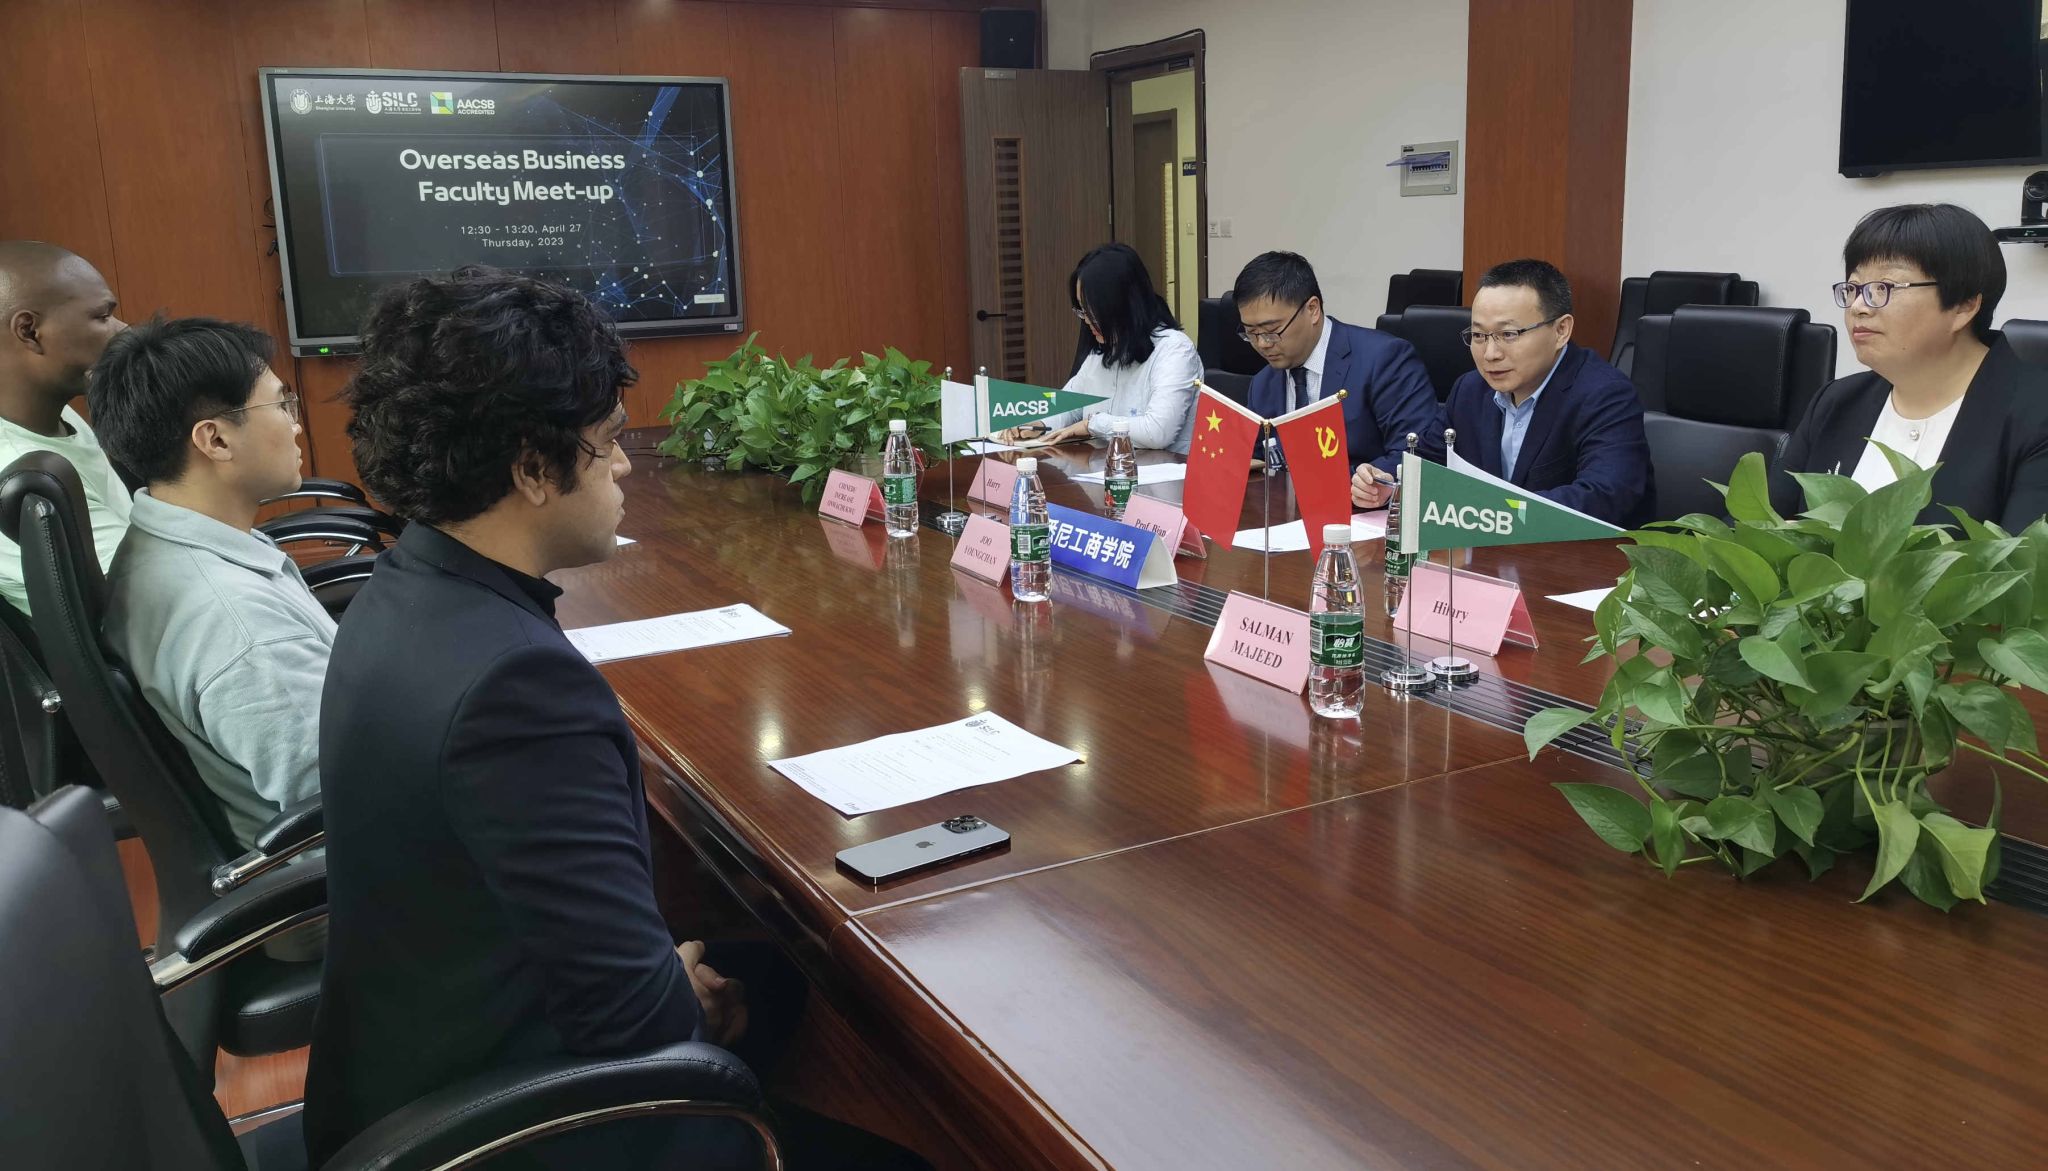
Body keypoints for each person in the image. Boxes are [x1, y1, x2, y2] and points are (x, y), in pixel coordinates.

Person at [305, 267, 924, 1170]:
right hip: (508, 1129)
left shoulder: (405, 586)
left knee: (770, 978)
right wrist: (672, 982)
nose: (627, 465)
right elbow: (641, 1023)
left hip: (407, 1065)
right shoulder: (516, 685)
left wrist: (666, 968)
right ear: (532, 466)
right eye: (608, 443)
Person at [90, 318, 330, 852]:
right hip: (351, 883)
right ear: (215, 439)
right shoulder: (242, 629)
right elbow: (361, 799)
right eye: (282, 404)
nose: (295, 425)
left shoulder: (162, 542)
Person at [1773, 203, 2048, 532]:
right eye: (1854, 288)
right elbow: (1756, 527)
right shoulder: (1836, 402)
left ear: (1963, 306)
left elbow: (2026, 558)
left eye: (1884, 288)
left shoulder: (2036, 417)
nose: (1859, 306)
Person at [1439, 259, 1655, 528]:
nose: (1490, 354)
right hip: (1487, 547)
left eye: (1509, 334)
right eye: (1479, 335)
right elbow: (1425, 461)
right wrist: (1392, 481)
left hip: (1578, 549)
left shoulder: (1605, 395)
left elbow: (1604, 496)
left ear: (1561, 330)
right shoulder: (1470, 390)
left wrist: (1493, 514)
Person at [1235, 251, 1441, 509]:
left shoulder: (1384, 359)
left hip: (1362, 516)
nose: (1263, 344)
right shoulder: (1263, 384)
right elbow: (1259, 463)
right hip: (1288, 518)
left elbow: (1417, 454)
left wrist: (1372, 481)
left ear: (1312, 310)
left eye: (1272, 331)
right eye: (1251, 333)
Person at [0, 241, 129, 613]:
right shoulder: (23, 472)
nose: (122, 329)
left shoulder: (50, 413)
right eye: (102, 316)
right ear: (29, 331)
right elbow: (152, 600)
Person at [994, 243, 1201, 452]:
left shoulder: (1175, 350)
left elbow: (1157, 432)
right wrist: (1037, 425)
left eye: (1093, 311)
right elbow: (1069, 406)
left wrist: (1092, 424)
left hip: (1163, 470)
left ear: (1122, 306)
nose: (1086, 321)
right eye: (1082, 310)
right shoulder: (1103, 351)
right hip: (1105, 467)